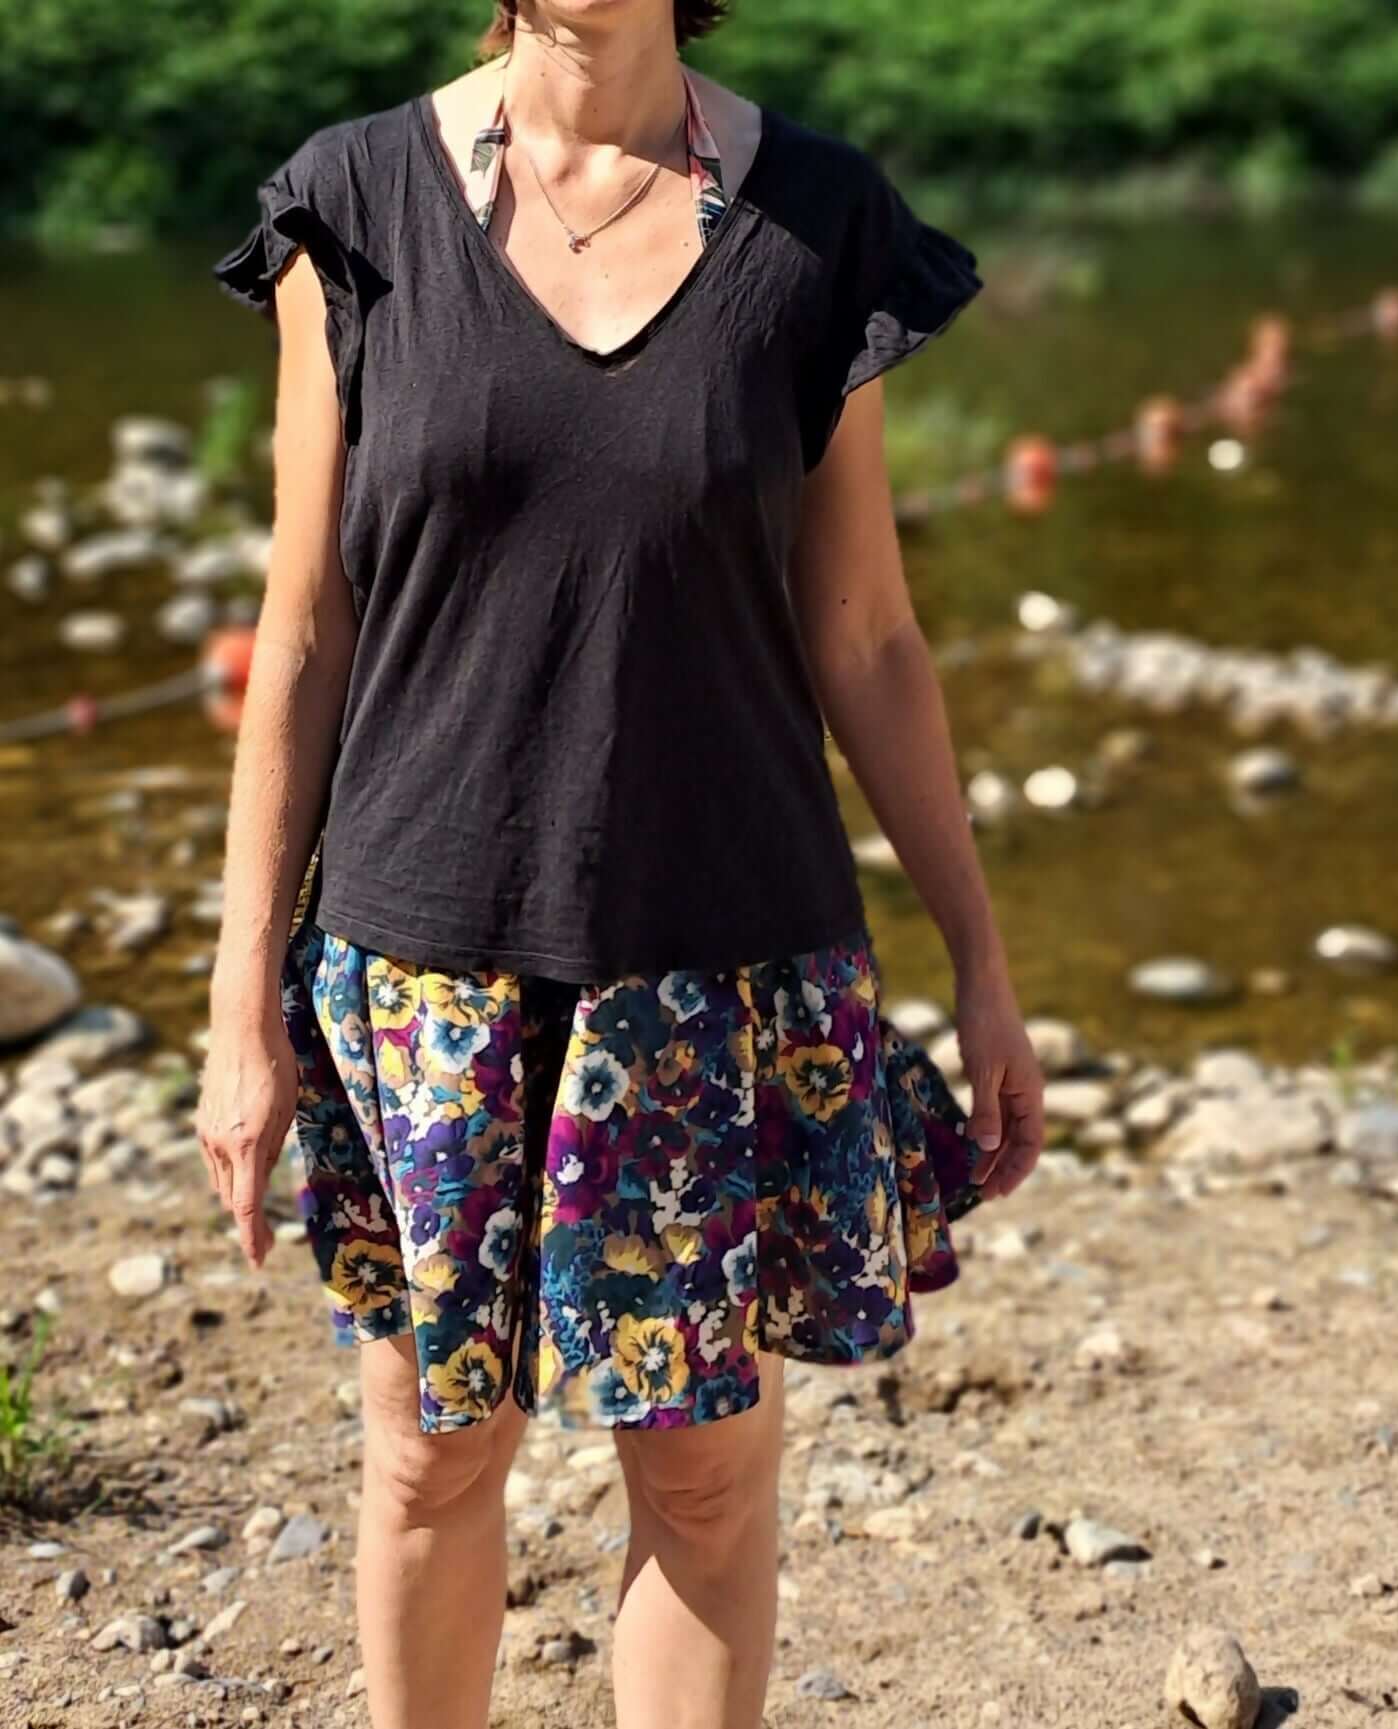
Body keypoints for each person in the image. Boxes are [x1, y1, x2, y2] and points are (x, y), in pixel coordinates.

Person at [197, 2, 1045, 1725]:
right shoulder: (351, 204)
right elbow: (300, 628)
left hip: (723, 949)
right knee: (434, 1459)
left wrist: (980, 953)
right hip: (422, 939)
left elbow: (869, 632)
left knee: (709, 1486)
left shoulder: (816, 217)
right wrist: (238, 1002)